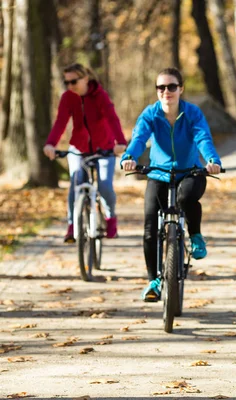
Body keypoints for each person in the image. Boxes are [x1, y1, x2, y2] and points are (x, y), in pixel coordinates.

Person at [121, 67, 222, 302]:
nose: (166, 92)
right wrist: (130, 157)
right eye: (161, 87)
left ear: (181, 89)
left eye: (172, 87)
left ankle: (195, 235)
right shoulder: (150, 114)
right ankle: (153, 280)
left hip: (190, 171)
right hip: (159, 173)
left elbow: (203, 137)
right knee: (149, 226)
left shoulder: (192, 113)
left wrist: (212, 160)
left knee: (186, 199)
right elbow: (139, 138)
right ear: (157, 91)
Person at [44, 63, 127, 242]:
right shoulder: (68, 97)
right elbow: (61, 122)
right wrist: (50, 144)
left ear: (85, 78)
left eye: (74, 81)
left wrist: (120, 142)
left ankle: (110, 218)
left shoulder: (99, 95)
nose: (70, 86)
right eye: (67, 82)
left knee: (104, 186)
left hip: (104, 148)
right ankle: (72, 225)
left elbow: (112, 118)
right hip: (79, 148)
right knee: (75, 182)